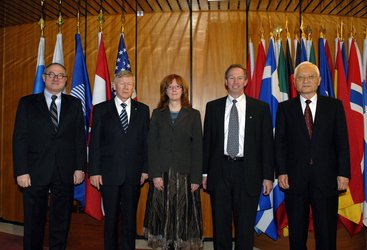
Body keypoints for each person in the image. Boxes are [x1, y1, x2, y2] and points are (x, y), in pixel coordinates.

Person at [275, 61, 350, 250]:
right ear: (294, 82)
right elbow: (280, 143)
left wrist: (343, 173)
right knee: (297, 234)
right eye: (301, 77)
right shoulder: (285, 108)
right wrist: (281, 171)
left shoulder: (334, 106)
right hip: (295, 179)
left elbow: (342, 141)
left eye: (310, 77)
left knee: (326, 232)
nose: (305, 81)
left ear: (319, 81)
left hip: (326, 178)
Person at [12, 62, 87, 250]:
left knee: (61, 220)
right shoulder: (27, 103)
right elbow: (19, 139)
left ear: (66, 80)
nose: (56, 78)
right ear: (44, 78)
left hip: (65, 170)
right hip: (34, 171)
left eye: (60, 75)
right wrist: (21, 171)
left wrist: (80, 167)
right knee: (33, 220)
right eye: (51, 74)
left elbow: (79, 138)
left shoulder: (75, 104)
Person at [202, 64, 274, 250]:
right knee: (221, 223)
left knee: (244, 225)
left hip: (248, 171)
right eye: (231, 78)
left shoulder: (260, 108)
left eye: (239, 77)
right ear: (226, 82)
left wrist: (268, 176)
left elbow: (267, 144)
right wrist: (204, 174)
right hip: (220, 171)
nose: (235, 81)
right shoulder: (213, 107)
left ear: (246, 81)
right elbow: (207, 142)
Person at [89, 70, 150, 250]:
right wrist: (94, 171)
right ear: (113, 86)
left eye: (129, 84)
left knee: (130, 219)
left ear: (133, 87)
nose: (125, 87)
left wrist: (145, 170)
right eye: (121, 83)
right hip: (108, 174)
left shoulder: (143, 110)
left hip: (134, 174)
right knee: (111, 220)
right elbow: (95, 144)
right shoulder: (101, 109)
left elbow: (146, 143)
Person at [144, 74, 203, 249]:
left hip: (185, 173)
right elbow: (151, 146)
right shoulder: (157, 114)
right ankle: (166, 244)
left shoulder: (193, 115)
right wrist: (154, 174)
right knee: (163, 212)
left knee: (182, 214)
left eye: (178, 87)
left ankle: (181, 244)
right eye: (170, 87)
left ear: (183, 91)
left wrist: (196, 178)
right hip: (161, 173)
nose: (174, 90)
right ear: (165, 91)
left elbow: (198, 148)